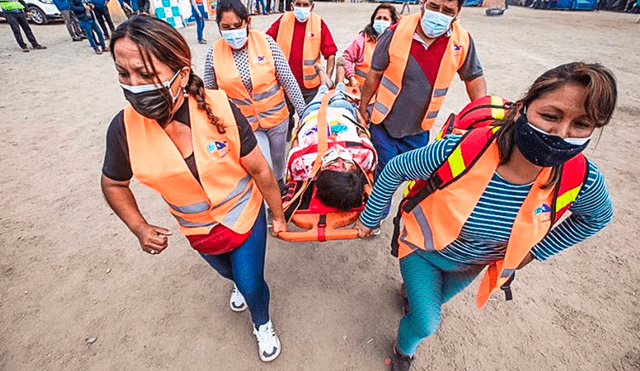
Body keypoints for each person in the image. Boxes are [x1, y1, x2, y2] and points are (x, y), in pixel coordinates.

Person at [354, 62, 617, 371]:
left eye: (582, 124)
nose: (561, 134)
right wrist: (369, 219)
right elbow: (396, 169)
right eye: (550, 116)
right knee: (426, 323)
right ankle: (403, 352)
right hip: (422, 250)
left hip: (474, 265)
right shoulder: (462, 150)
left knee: (432, 304)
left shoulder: (581, 179)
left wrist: (536, 251)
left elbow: (597, 218)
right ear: (521, 110)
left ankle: (410, 296)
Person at [101, 16, 286, 362]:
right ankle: (239, 286)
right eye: (124, 74)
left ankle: (261, 322)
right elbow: (113, 182)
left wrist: (277, 215)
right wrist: (138, 226)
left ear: (181, 74)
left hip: (245, 221)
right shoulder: (123, 130)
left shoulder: (221, 108)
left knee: (249, 284)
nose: (134, 85)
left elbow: (260, 169)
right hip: (199, 234)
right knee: (229, 274)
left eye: (145, 73)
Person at [358, 0, 486, 187]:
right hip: (384, 125)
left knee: (409, 179)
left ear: (457, 13)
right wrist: (362, 106)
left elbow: (474, 78)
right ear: (423, 4)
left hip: (419, 131)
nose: (439, 14)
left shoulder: (462, 41)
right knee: (382, 178)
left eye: (447, 10)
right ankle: (375, 214)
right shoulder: (395, 32)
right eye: (434, 6)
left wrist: (482, 113)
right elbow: (374, 73)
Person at [204, 0, 306, 188]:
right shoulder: (213, 53)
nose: (232, 31)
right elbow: (209, 93)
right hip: (246, 125)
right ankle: (270, 209)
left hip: (277, 120)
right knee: (262, 168)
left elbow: (289, 81)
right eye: (226, 27)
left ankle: (280, 187)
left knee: (277, 164)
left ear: (248, 22)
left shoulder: (266, 42)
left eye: (237, 25)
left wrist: (305, 115)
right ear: (218, 27)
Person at [287, 63, 376, 211]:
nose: (338, 156)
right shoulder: (364, 157)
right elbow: (362, 132)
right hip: (342, 112)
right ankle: (340, 79)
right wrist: (359, 117)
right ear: (354, 171)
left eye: (334, 165)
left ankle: (324, 83)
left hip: (314, 115)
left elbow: (295, 142)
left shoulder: (301, 166)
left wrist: (300, 125)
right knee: (340, 95)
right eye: (345, 165)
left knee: (320, 95)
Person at [265, 0, 338, 138]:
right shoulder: (283, 20)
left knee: (310, 119)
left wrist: (327, 77)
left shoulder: (319, 23)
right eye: (299, 4)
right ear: (292, 5)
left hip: (310, 86)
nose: (302, 8)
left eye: (305, 5)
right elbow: (265, 41)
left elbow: (331, 53)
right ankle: (288, 130)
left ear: (312, 7)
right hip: (285, 84)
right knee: (284, 117)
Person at [342, 3, 398, 88]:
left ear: (392, 22)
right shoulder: (362, 39)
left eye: (385, 19)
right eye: (379, 18)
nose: (381, 21)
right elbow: (346, 58)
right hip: (360, 89)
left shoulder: (397, 41)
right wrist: (351, 77)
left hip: (384, 93)